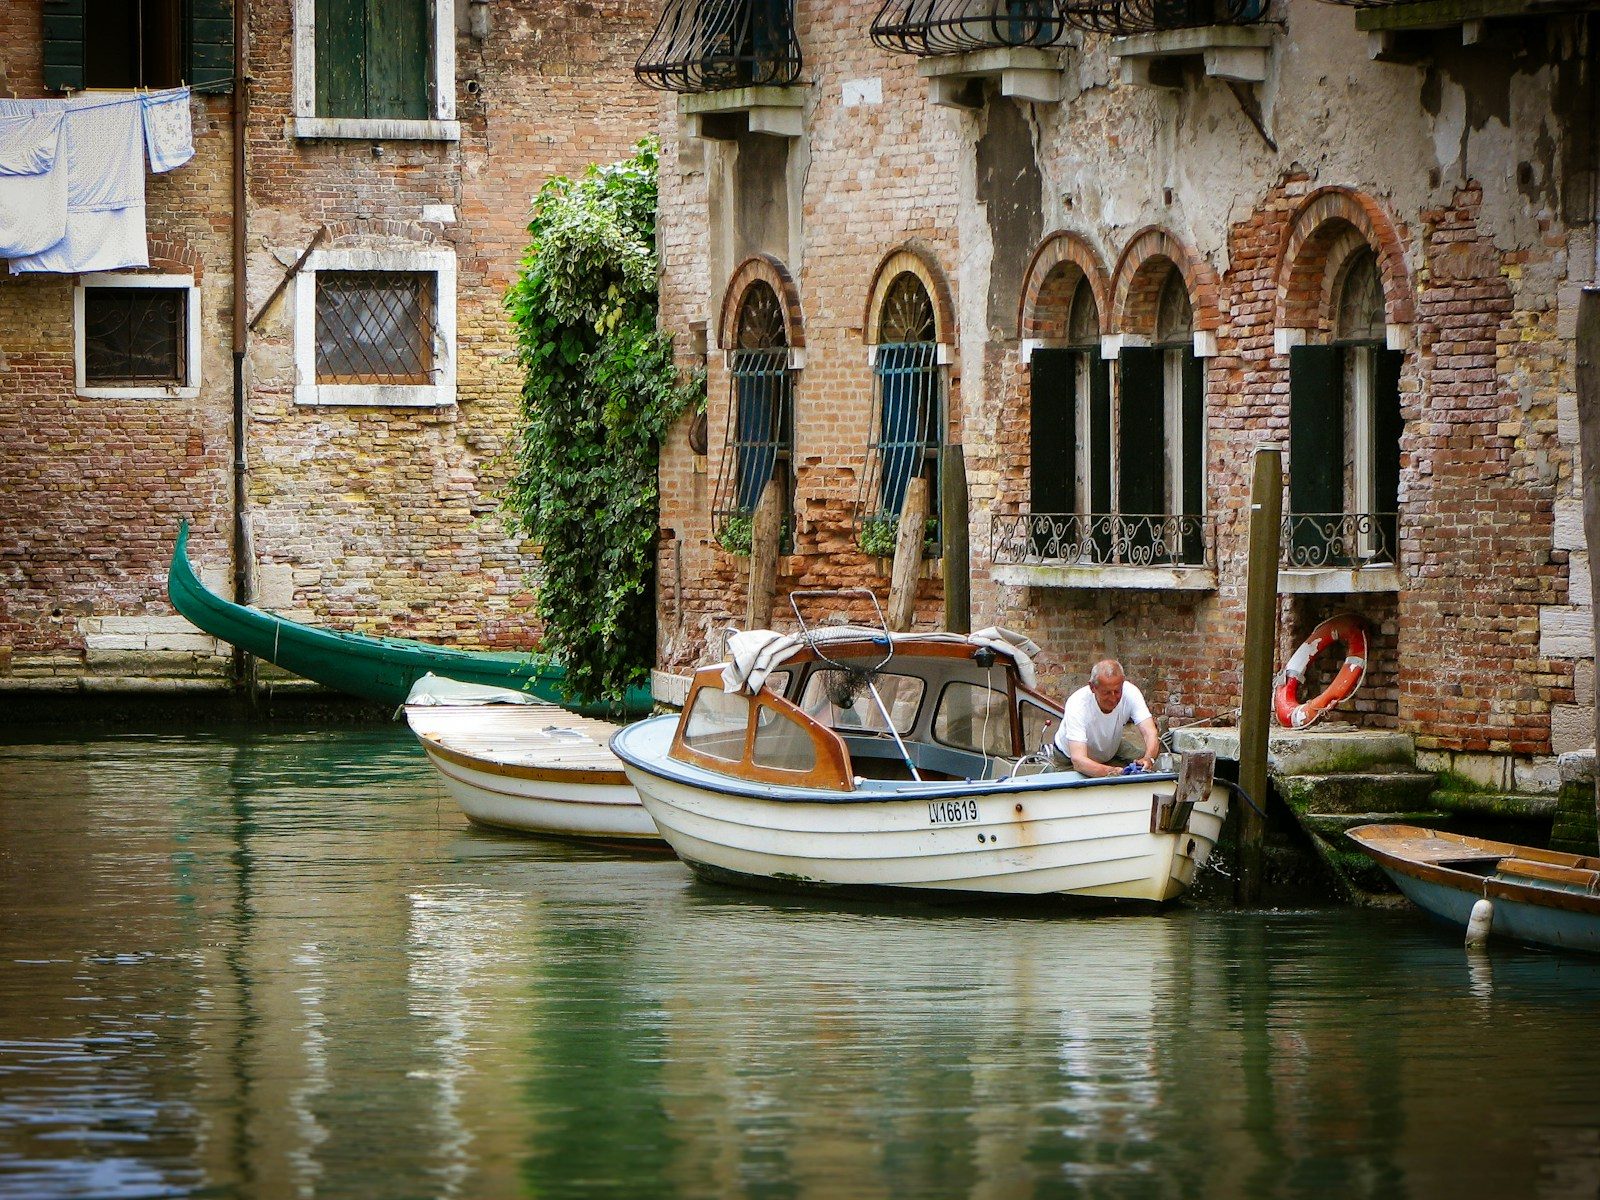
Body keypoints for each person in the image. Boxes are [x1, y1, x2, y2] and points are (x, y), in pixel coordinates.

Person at [1053, 659, 1161, 779]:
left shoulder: (1131, 693)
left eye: (1117, 691)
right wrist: (1113, 771)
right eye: (1107, 693)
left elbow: (1150, 732)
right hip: (1069, 759)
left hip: (1111, 747)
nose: (1113, 698)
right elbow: (1079, 760)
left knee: (1153, 768)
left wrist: (1148, 758)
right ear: (1092, 687)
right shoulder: (1077, 704)